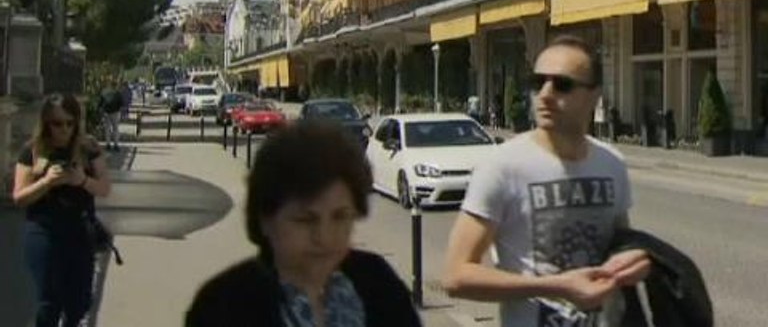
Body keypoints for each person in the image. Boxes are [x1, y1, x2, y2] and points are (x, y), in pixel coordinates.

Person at [443, 34, 650, 326]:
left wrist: (633, 262)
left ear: (594, 95)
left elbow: (620, 243)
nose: (545, 94)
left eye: (562, 84)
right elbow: (456, 275)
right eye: (538, 82)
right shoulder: (502, 166)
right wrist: (556, 286)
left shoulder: (611, 163)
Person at [186, 120, 420, 327]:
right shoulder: (222, 306)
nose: (325, 237)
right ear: (266, 219)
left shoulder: (378, 283)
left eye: (340, 216)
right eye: (306, 220)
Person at [11, 93, 113, 327]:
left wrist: (82, 180)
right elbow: (19, 197)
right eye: (57, 123)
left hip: (79, 232)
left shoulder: (88, 148)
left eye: (70, 123)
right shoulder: (33, 150)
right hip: (43, 232)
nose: (64, 129)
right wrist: (46, 182)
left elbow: (105, 188)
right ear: (46, 123)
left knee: (79, 303)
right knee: (49, 303)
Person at [100, 84, 125, 152]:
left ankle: (108, 144)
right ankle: (116, 144)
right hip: (115, 112)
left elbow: (101, 103)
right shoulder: (117, 93)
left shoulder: (104, 92)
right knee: (115, 128)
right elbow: (122, 104)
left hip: (107, 113)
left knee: (107, 129)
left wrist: (101, 111)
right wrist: (121, 111)